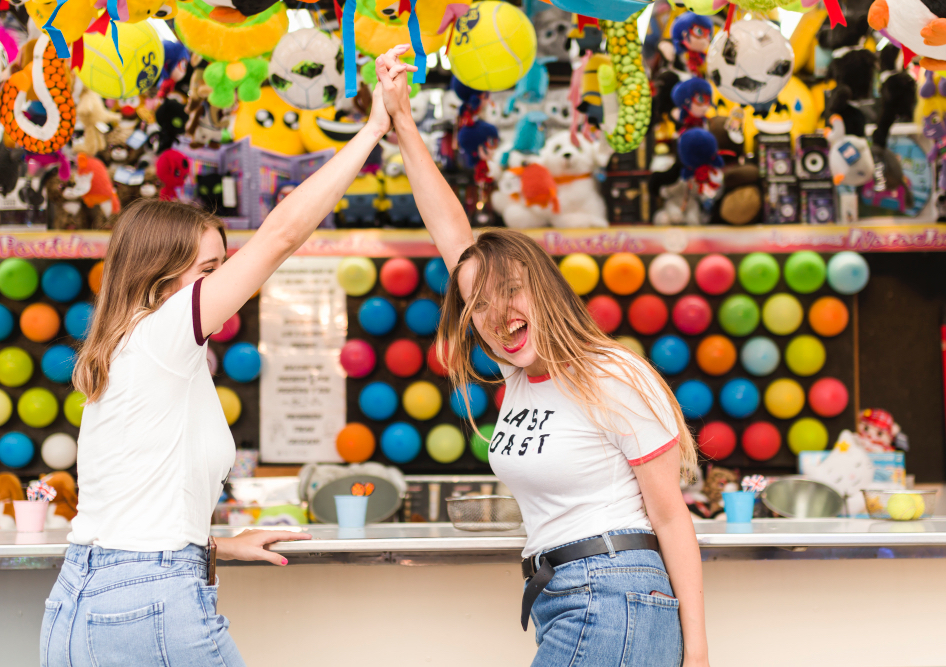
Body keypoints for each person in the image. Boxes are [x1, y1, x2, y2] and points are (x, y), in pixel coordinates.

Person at [39, 49, 415, 667]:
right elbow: (282, 235)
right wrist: (375, 127)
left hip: (80, 605)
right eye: (209, 270)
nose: (223, 283)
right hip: (148, 603)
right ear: (160, 276)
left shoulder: (130, 345)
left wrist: (212, 547)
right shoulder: (163, 331)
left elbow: (133, 513)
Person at [375, 51, 710, 667]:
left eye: (510, 292)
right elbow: (453, 236)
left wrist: (699, 655)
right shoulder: (520, 374)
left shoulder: (612, 374)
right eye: (478, 304)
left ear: (544, 289)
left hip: (615, 596)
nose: (495, 313)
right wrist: (401, 122)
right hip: (569, 597)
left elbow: (671, 520)